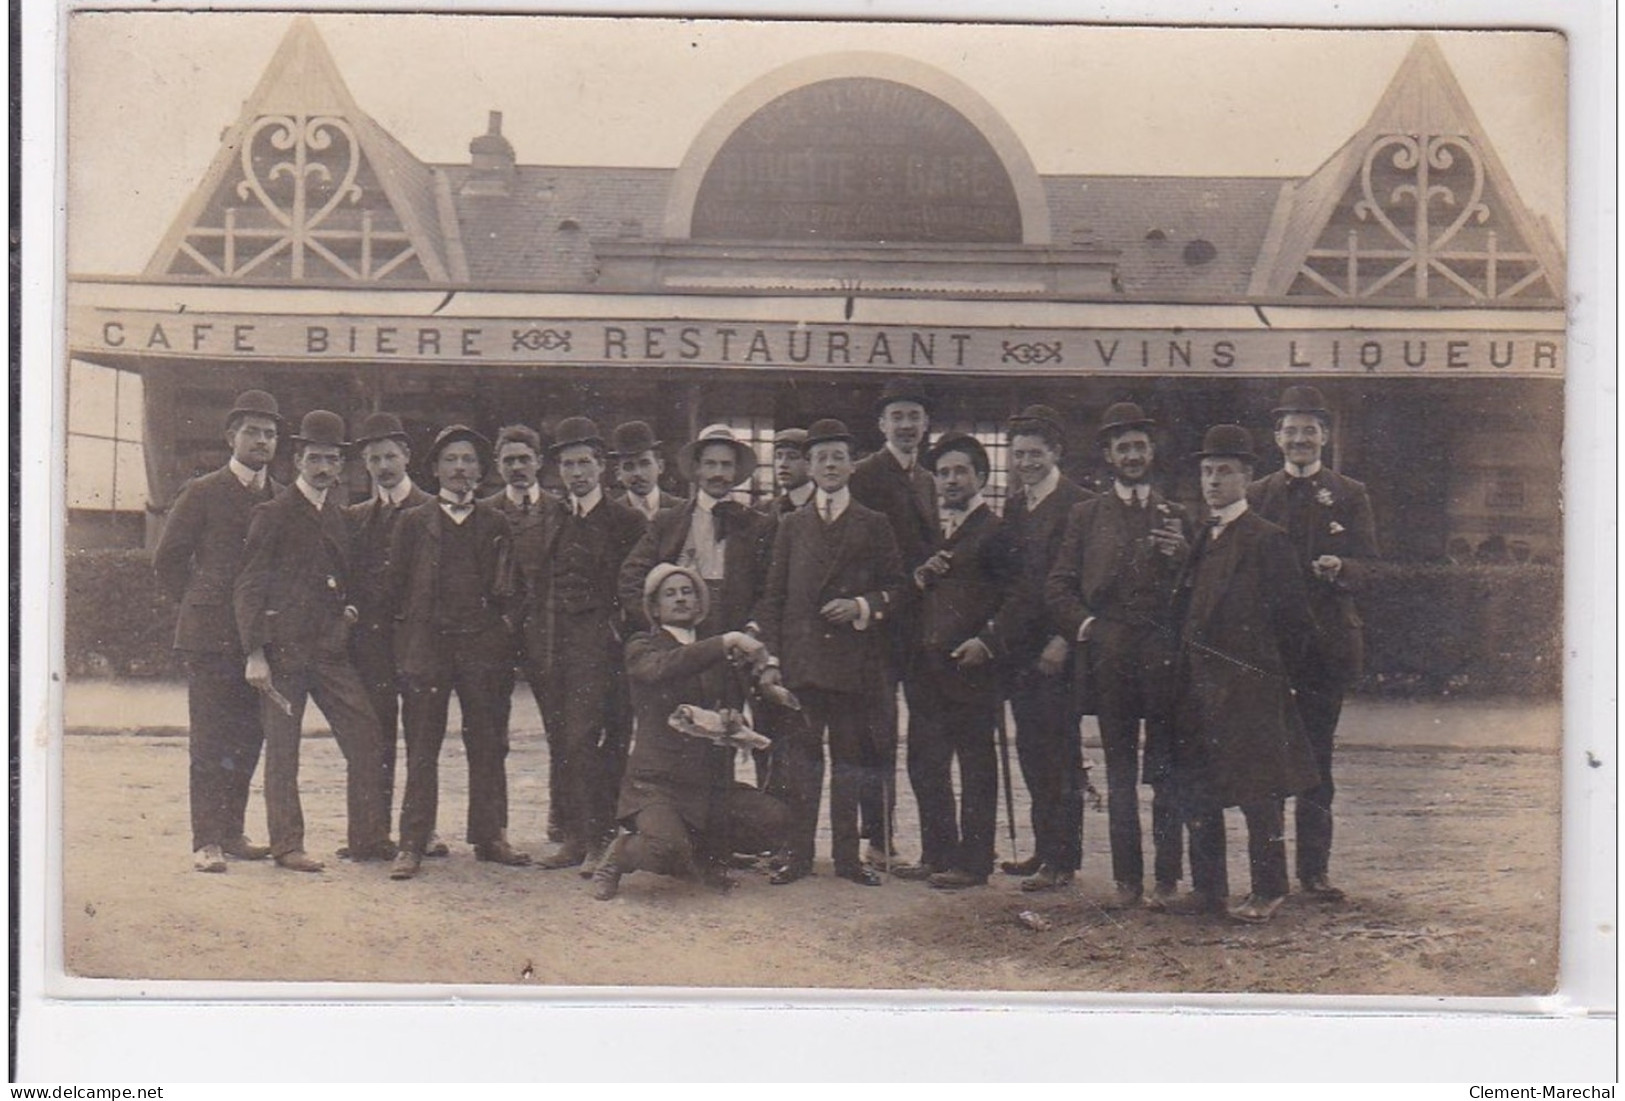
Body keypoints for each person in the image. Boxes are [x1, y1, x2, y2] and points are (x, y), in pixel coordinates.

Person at [1165, 425, 1321, 924]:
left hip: (1248, 688)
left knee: (1259, 793)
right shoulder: (1201, 537)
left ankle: (1269, 889)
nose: (1213, 481)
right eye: (1207, 472)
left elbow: (1295, 623)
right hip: (1196, 686)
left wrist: (1265, 678)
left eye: (1224, 472)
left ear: (1247, 478)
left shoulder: (1266, 539)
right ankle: (1208, 890)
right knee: (1198, 789)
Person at [233, 410, 392, 872]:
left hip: (329, 655)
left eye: (332, 460)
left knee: (366, 735)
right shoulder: (273, 513)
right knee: (283, 751)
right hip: (282, 656)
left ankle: (365, 838)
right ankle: (287, 845)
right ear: (298, 459)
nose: (324, 468)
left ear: (342, 466)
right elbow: (249, 585)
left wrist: (349, 613)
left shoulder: (342, 517)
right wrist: (255, 653)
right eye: (315, 458)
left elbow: (352, 580)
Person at [1046, 401, 1188, 908]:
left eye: (1140, 446)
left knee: (1167, 773)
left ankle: (1168, 878)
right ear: (1108, 454)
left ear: (1152, 452)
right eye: (1122, 447)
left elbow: (1197, 592)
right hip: (1109, 659)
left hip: (1164, 661)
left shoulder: (1177, 515)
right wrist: (1088, 628)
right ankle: (1128, 881)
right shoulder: (1085, 515)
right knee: (1120, 772)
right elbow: (1059, 585)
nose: (1132, 455)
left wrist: (1181, 560)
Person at [755, 418, 906, 887]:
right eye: (821, 458)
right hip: (802, 664)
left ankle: (846, 859)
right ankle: (798, 856)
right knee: (801, 763)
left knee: (849, 761)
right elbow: (774, 597)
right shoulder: (792, 526)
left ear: (851, 465)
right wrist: (774, 659)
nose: (830, 465)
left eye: (839, 457)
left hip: (854, 664)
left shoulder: (874, 524)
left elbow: (897, 588)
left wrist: (861, 605)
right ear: (810, 466)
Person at [1247, 384, 1379, 903]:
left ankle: (1314, 872)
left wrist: (1342, 567)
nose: (1300, 438)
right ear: (1277, 437)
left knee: (1317, 762)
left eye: (1310, 429)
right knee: (1268, 760)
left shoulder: (1349, 493)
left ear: (1324, 436)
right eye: (1291, 430)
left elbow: (1371, 565)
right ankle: (1269, 874)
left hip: (1323, 650)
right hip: (1268, 651)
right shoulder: (1257, 495)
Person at [592, 564, 790, 900]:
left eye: (688, 592)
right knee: (665, 848)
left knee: (774, 819)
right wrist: (725, 641)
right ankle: (621, 852)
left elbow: (729, 702)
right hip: (657, 783)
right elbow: (662, 669)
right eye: (670, 594)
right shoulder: (643, 645)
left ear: (700, 604)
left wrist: (730, 719)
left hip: (708, 782)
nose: (680, 599)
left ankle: (701, 856)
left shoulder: (716, 652)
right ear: (654, 608)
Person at [385, 425, 530, 880]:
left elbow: (513, 589)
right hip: (429, 648)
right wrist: (407, 642)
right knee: (422, 745)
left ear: (481, 470)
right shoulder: (413, 521)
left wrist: (501, 631)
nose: (461, 468)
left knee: (488, 743)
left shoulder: (496, 522)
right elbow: (394, 588)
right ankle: (412, 843)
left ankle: (490, 836)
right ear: (435, 469)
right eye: (451, 460)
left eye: (469, 460)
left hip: (481, 649)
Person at [152, 388, 282, 873]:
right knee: (210, 739)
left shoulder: (280, 495)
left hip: (259, 642)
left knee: (249, 737)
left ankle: (233, 832)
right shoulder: (202, 490)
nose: (262, 442)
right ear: (231, 436)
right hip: (210, 639)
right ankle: (206, 840)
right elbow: (168, 561)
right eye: (253, 432)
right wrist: (199, 602)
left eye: (270, 434)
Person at [893, 434, 1024, 890]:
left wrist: (988, 642)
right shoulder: (932, 530)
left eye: (960, 471)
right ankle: (937, 852)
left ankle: (974, 861)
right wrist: (919, 575)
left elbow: (1016, 598)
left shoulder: (998, 530)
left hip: (972, 668)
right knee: (925, 762)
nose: (950, 480)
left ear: (981, 477)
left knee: (975, 764)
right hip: (925, 667)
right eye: (944, 473)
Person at [530, 417, 648, 872]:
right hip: (559, 646)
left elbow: (634, 584)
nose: (576, 473)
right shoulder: (556, 516)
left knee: (597, 742)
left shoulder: (625, 519)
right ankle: (577, 838)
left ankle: (601, 839)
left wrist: (619, 629)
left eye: (584, 464)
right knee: (566, 741)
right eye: (567, 465)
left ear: (601, 467)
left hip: (605, 649)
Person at [995, 405, 1096, 892]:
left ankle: (1063, 859)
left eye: (1036, 453)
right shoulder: (1016, 505)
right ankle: (1044, 848)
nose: (1027, 462)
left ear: (1056, 453)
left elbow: (1087, 581)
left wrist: (1064, 639)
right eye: (1020, 454)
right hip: (1021, 653)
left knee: (1061, 755)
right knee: (1033, 752)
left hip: (1060, 652)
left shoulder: (1081, 504)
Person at [343, 410, 442, 858]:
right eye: (374, 459)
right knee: (373, 738)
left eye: (390, 456)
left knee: (420, 740)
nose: (383, 466)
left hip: (421, 645)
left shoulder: (432, 508)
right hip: (373, 647)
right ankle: (371, 833)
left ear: (407, 456)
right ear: (365, 465)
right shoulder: (358, 516)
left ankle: (420, 832)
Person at [848, 377, 936, 866]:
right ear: (881, 424)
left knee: (925, 735)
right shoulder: (863, 475)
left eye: (914, 417)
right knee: (876, 733)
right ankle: (878, 838)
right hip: (879, 626)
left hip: (923, 628)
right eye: (897, 417)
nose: (906, 426)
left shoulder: (929, 479)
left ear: (926, 425)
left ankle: (932, 845)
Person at [618, 423, 775, 639]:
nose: (717, 473)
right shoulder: (668, 520)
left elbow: (770, 589)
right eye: (710, 464)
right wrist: (656, 624)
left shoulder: (758, 525)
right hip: (680, 638)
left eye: (726, 465)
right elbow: (630, 577)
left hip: (736, 635)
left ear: (736, 470)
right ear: (697, 468)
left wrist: (753, 629)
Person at [482, 423, 560, 842]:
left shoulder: (560, 510)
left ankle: (562, 821)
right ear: (497, 465)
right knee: (493, 735)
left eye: (524, 459)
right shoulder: (484, 510)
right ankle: (495, 829)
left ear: (539, 463)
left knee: (560, 730)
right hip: (497, 635)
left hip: (547, 634)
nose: (517, 467)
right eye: (508, 460)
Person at [609, 420, 683, 520]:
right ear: (618, 473)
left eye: (645, 464)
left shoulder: (682, 510)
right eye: (629, 467)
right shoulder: (609, 515)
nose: (637, 473)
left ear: (660, 466)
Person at [758, 428, 816, 517]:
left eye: (793, 457)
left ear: (811, 463)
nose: (783, 464)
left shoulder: (823, 506)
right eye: (778, 456)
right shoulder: (763, 510)